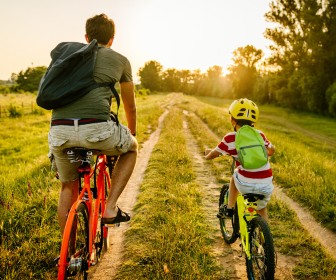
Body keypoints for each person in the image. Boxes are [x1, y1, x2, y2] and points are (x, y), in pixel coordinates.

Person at [48, 14, 138, 234]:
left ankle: (67, 257)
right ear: (112, 38)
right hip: (97, 131)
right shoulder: (121, 60)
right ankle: (109, 208)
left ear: (87, 37)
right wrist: (131, 134)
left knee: (67, 187)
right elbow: (131, 107)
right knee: (132, 148)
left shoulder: (69, 58)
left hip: (60, 132)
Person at [204, 98, 275, 220]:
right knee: (261, 209)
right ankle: (264, 237)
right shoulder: (260, 135)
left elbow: (214, 154)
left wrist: (206, 156)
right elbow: (271, 150)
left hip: (246, 184)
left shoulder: (230, 138)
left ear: (232, 120)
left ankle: (230, 208)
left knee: (234, 177)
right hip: (266, 185)